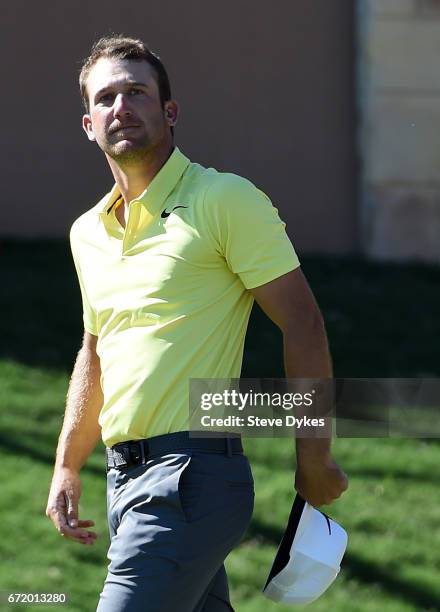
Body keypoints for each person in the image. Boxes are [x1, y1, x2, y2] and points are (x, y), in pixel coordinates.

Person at [46, 35, 348, 611]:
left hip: (192, 477)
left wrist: (315, 456)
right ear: (89, 124)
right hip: (124, 483)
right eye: (106, 97)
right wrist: (66, 464)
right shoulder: (87, 232)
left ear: (170, 111)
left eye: (137, 92)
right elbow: (94, 350)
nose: (121, 106)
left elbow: (304, 324)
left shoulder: (224, 199)